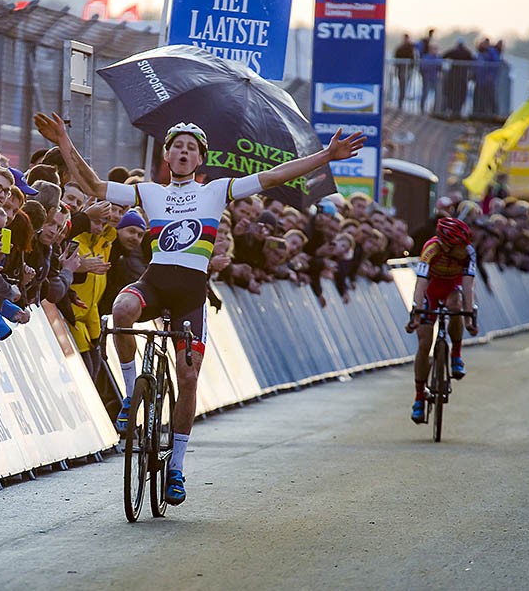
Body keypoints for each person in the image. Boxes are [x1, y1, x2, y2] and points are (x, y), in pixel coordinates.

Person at [34, 111, 364, 506]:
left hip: (191, 295)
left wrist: (326, 156)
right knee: (121, 310)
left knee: (188, 378)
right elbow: (92, 184)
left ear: (200, 158)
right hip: (154, 283)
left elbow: (275, 176)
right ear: (167, 156)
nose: (184, 152)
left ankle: (176, 468)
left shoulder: (217, 190)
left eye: (192, 148)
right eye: (178, 147)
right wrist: (64, 142)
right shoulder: (149, 192)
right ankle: (129, 397)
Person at [405, 217, 479, 424]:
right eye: (459, 246)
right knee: (424, 344)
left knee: (456, 305)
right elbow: (420, 283)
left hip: (452, 289)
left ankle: (456, 354)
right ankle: (419, 397)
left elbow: (468, 288)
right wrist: (416, 312)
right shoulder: (431, 248)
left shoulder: (468, 252)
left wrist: (469, 317)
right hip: (431, 289)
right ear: (446, 245)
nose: (464, 249)